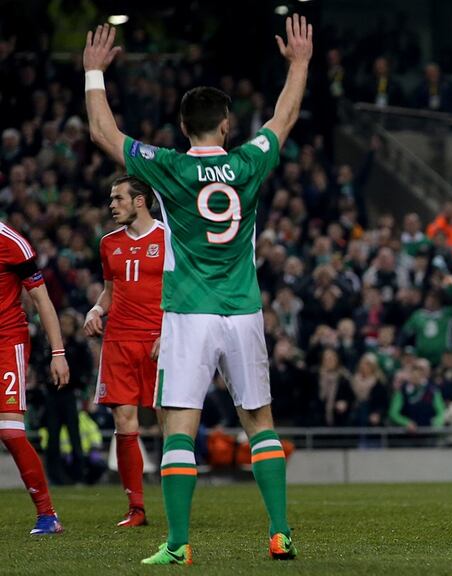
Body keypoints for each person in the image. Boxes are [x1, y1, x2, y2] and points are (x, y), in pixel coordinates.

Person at [83, 17, 312, 564]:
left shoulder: (170, 167)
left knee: (179, 426)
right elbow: (285, 116)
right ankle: (279, 532)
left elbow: (104, 135)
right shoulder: (249, 161)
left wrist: (94, 73)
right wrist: (299, 63)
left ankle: (179, 544)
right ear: (227, 124)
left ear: (183, 126)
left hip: (188, 313)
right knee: (260, 423)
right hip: (243, 310)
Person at [83, 175, 163, 528]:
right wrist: (96, 310)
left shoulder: (169, 238)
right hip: (118, 342)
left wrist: (173, 333)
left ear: (140, 201)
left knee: (171, 422)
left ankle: (178, 502)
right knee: (123, 422)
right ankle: (137, 508)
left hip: (160, 342)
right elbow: (109, 292)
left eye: (118, 198)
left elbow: (185, 290)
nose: (111, 205)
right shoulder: (108, 243)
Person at [0, 220, 70, 535]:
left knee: (10, 431)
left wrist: (58, 353)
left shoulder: (11, 242)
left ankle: (47, 515)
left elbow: (42, 300)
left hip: (6, 341)